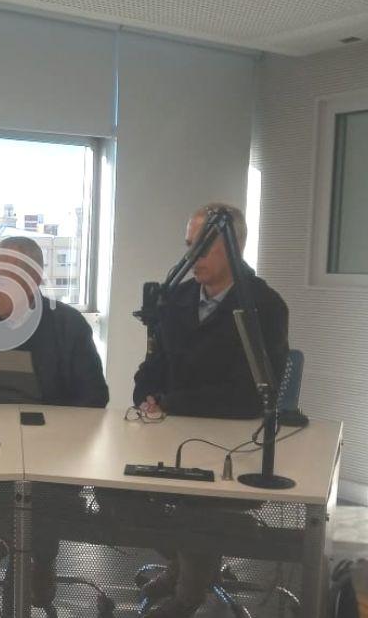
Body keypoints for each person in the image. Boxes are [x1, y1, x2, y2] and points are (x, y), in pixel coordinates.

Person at [132, 203, 289, 617]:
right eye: (189, 246)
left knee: (194, 502)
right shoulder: (177, 297)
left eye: (202, 248)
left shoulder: (264, 306)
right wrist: (144, 395)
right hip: (167, 434)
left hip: (230, 445)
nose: (191, 257)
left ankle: (188, 596)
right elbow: (155, 363)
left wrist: (172, 402)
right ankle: (187, 565)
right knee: (115, 491)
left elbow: (251, 395)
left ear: (234, 248)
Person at [0, 236, 109, 610]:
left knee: (44, 495)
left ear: (33, 280)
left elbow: (94, 396)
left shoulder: (67, 324)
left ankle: (41, 560)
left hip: (52, 445)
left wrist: (57, 433)